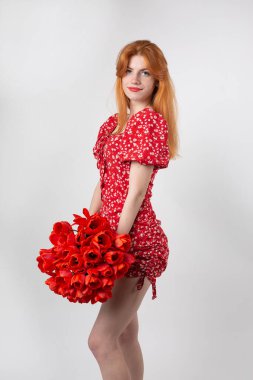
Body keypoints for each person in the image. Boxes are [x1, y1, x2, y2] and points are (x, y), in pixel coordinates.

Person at [88, 40, 179, 380]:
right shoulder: (113, 124)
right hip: (111, 238)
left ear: (157, 81)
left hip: (135, 243)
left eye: (145, 72)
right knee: (124, 334)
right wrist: (88, 233)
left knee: (100, 341)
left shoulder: (150, 123)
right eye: (128, 70)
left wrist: (114, 242)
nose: (135, 79)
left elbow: (136, 192)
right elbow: (104, 182)